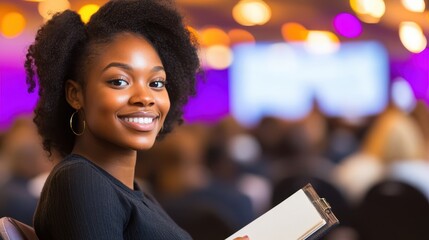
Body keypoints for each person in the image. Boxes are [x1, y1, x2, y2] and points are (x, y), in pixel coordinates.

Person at [24, 0, 249, 239]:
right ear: (75, 94)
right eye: (119, 81)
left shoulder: (136, 193)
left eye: (156, 83)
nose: (145, 98)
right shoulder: (81, 181)